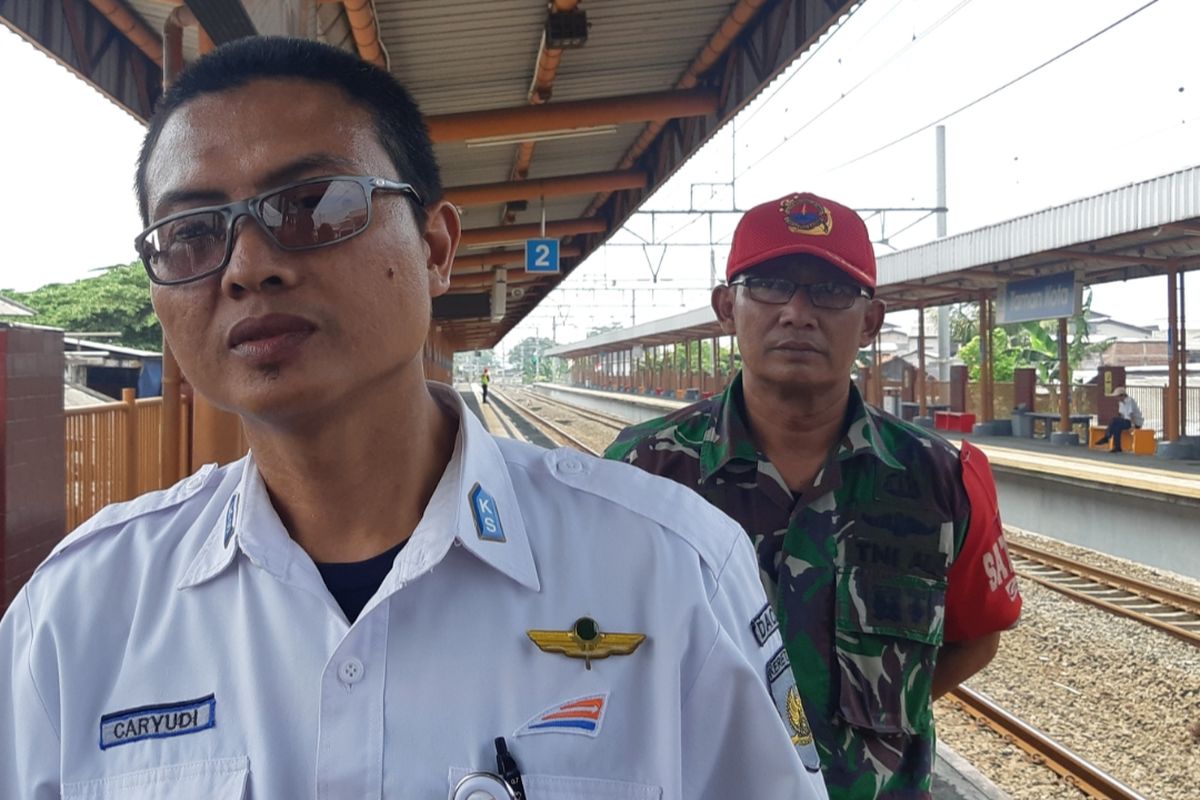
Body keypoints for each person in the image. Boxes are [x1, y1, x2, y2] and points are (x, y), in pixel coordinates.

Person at [0, 39, 828, 800]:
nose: (250, 267)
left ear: (436, 249)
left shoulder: (672, 571)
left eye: (314, 204)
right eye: (190, 234)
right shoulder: (77, 617)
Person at [606, 193, 1023, 800]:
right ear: (727, 307)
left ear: (872, 321)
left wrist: (869, 716)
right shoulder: (641, 472)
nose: (798, 313)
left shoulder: (943, 479)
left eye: (830, 292)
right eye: (771, 285)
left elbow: (977, 634)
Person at [1095, 386, 1142, 452]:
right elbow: (1121, 415)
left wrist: (1133, 426)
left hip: (1135, 422)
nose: (1116, 398)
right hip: (1127, 421)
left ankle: (1107, 437)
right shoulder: (1120, 403)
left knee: (1114, 420)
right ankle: (1117, 447)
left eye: (1117, 396)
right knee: (1116, 427)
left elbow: (1131, 414)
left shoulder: (1129, 401)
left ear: (1122, 395)